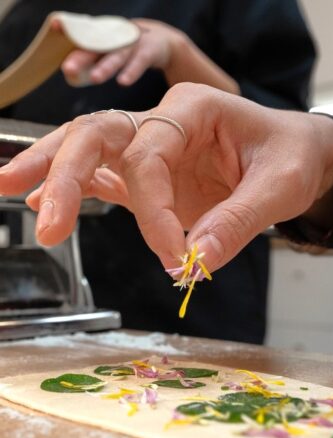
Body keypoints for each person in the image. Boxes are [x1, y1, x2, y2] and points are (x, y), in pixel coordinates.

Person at [0, 0, 316, 344]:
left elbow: (285, 140)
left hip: (195, 288)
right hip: (44, 296)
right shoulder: (26, 13)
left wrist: (177, 53)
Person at [0, 83, 333, 286]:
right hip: (117, 238)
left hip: (214, 297)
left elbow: (270, 97)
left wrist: (326, 161)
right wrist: (327, 165)